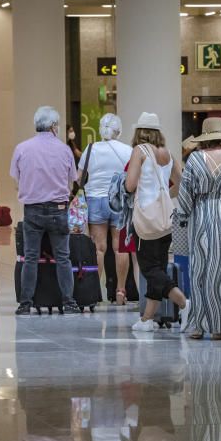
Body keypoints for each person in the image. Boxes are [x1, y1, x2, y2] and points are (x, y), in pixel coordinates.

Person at [178, 117, 221, 340]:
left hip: (201, 217)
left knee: (200, 271)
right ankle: (220, 327)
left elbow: (186, 193)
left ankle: (198, 326)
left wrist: (182, 215)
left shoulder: (194, 160)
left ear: (205, 138)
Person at [123, 112, 189, 332]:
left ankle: (184, 303)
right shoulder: (168, 154)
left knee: (150, 269)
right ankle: (147, 320)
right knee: (158, 267)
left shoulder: (139, 151)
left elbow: (131, 185)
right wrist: (164, 197)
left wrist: (125, 187)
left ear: (139, 132)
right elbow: (182, 183)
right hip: (166, 219)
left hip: (146, 220)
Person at [12, 106, 80, 316]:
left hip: (32, 210)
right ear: (53, 126)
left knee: (30, 257)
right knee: (63, 257)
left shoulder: (22, 148)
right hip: (58, 209)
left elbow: (17, 179)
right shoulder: (64, 150)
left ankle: (25, 303)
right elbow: (72, 180)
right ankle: (68, 302)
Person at [77, 113, 132, 305]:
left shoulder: (90, 149)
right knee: (120, 248)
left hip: (96, 200)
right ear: (119, 130)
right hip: (119, 200)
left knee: (99, 248)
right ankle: (120, 291)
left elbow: (79, 177)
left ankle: (94, 292)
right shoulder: (128, 150)